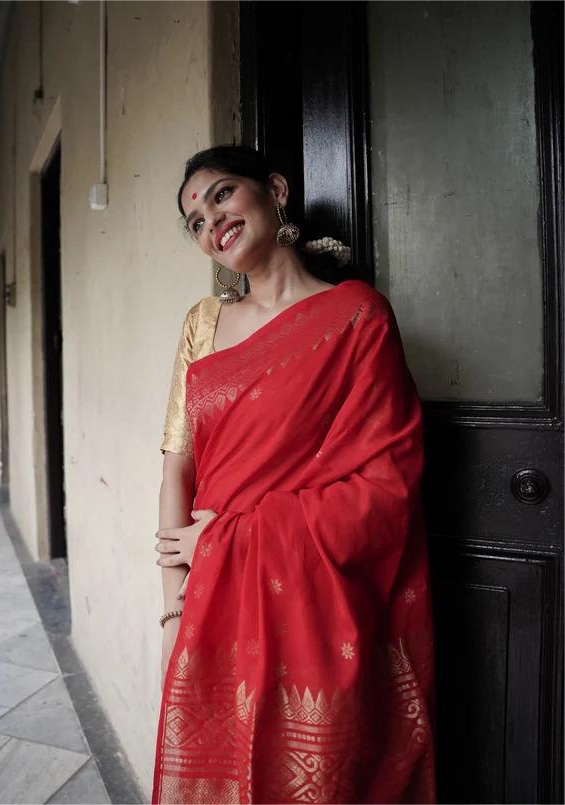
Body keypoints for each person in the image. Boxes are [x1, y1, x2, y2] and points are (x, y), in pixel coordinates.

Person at [151, 145, 437, 804]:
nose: (212, 222)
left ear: (275, 190)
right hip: (211, 601)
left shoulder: (358, 317)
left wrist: (230, 538)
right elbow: (176, 467)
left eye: (222, 194)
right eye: (196, 222)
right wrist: (172, 613)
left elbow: (387, 486)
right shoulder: (204, 324)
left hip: (316, 603)